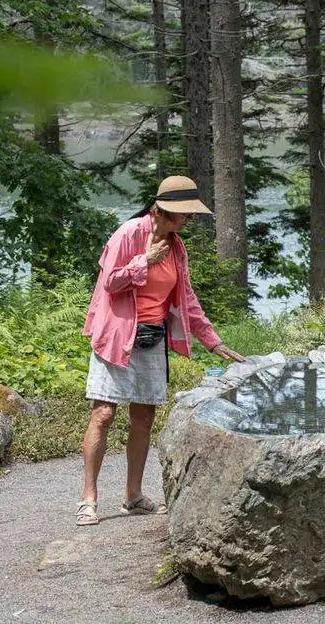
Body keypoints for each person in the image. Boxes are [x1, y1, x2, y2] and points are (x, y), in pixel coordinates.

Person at [77, 175, 244, 526]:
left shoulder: (177, 247)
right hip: (117, 336)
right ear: (163, 210)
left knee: (144, 417)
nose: (189, 221)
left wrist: (212, 341)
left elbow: (186, 299)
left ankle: (133, 495)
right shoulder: (128, 234)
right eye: (185, 214)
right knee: (103, 414)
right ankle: (88, 498)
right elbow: (109, 282)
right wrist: (144, 261)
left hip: (151, 339)